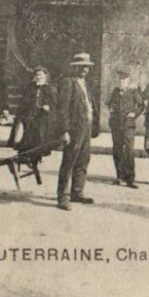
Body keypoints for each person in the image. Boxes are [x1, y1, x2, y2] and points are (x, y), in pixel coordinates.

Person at [56, 51, 99, 210]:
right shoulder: (68, 82)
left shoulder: (85, 83)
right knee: (69, 161)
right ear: (74, 67)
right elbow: (63, 109)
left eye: (87, 67)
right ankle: (62, 197)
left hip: (85, 128)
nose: (84, 70)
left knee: (83, 159)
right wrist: (64, 130)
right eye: (81, 67)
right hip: (74, 129)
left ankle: (77, 192)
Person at [106, 67, 145, 188]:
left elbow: (141, 105)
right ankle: (119, 175)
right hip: (116, 125)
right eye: (120, 78)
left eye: (124, 78)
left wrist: (134, 113)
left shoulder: (133, 91)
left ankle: (130, 178)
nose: (122, 81)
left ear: (128, 80)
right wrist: (112, 110)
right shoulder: (115, 91)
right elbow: (109, 103)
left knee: (129, 150)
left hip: (128, 125)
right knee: (117, 149)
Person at [10, 65, 57, 163]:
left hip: (42, 117)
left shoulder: (49, 88)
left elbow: (54, 103)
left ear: (45, 76)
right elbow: (24, 101)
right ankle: (25, 155)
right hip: (30, 115)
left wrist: (48, 107)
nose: (38, 77)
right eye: (37, 75)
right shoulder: (31, 87)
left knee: (39, 137)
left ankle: (37, 157)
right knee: (27, 135)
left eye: (40, 74)